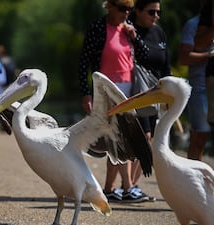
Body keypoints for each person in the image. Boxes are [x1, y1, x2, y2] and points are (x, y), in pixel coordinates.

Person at [78, 0, 150, 203]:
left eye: (129, 9)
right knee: (118, 138)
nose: (126, 13)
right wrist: (86, 93)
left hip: (130, 90)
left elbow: (145, 56)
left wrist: (134, 37)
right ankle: (127, 187)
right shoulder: (98, 28)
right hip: (106, 91)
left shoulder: (129, 28)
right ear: (108, 6)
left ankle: (110, 188)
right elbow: (83, 62)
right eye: (121, 8)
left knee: (117, 139)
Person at [128, 0, 170, 198]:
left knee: (150, 137)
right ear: (137, 11)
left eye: (158, 12)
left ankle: (133, 185)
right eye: (151, 12)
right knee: (142, 137)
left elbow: (165, 65)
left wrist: (169, 95)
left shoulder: (159, 32)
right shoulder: (129, 30)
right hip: (136, 92)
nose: (156, 16)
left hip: (157, 93)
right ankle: (128, 186)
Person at [178, 0, 214, 160]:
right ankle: (192, 177)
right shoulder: (193, 25)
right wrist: (209, 55)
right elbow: (183, 58)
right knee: (199, 137)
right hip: (200, 89)